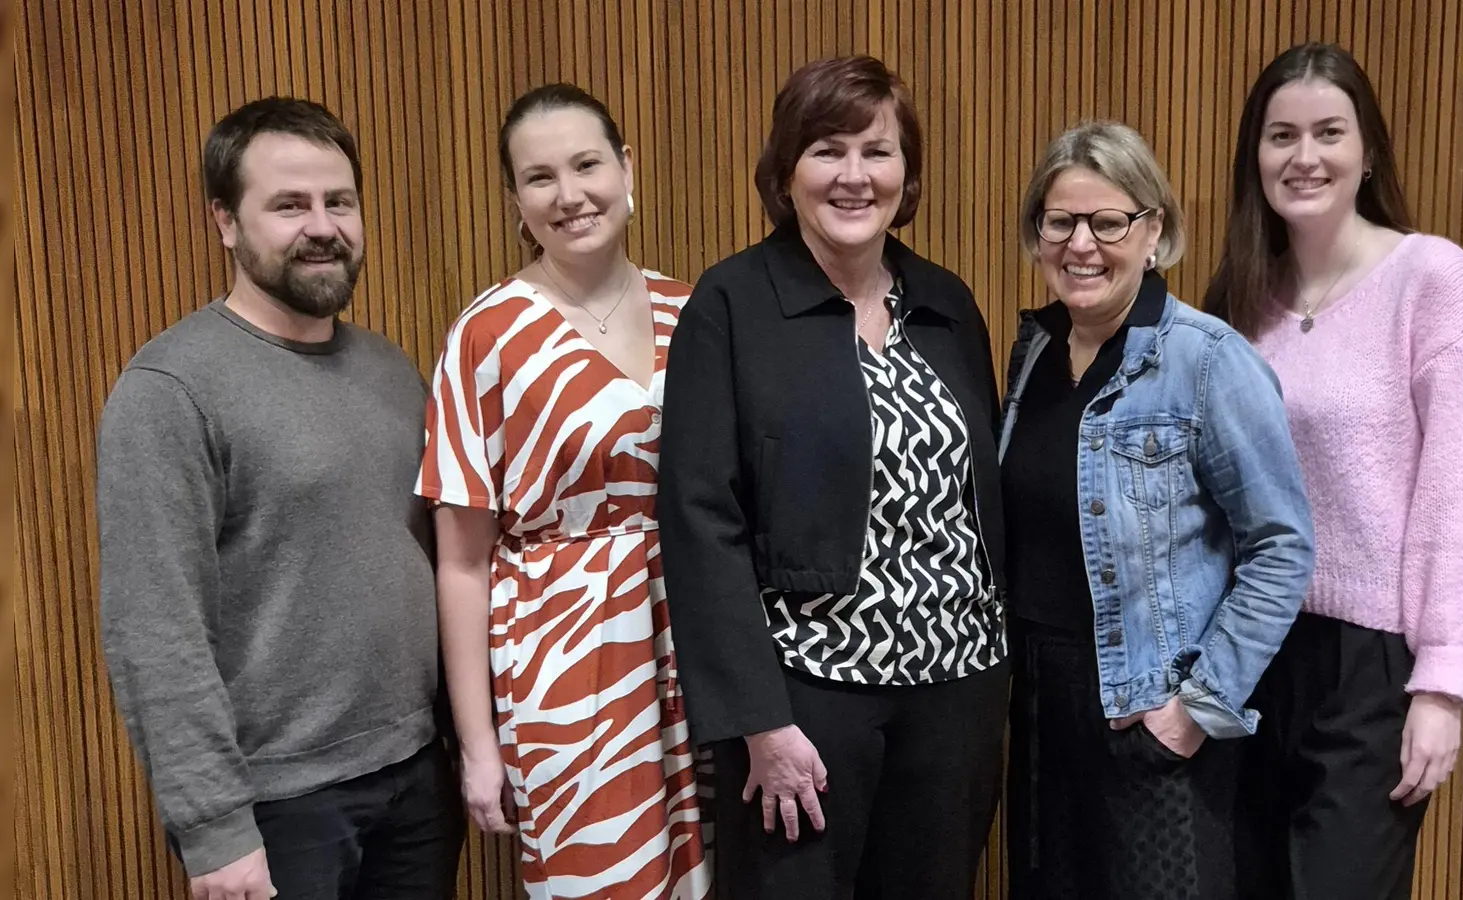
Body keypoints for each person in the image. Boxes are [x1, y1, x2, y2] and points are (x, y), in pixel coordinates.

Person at [655, 55, 1008, 900]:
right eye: (826, 149)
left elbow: (978, 495)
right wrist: (760, 722)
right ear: (786, 171)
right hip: (808, 701)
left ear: (906, 174)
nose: (854, 175)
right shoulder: (732, 304)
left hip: (957, 693)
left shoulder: (948, 304)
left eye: (877, 152)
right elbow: (701, 519)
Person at [95, 97, 464, 900]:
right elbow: (153, 628)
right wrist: (213, 833)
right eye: (289, 205)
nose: (322, 225)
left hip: (416, 780)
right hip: (277, 807)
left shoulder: (391, 370)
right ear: (225, 222)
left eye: (340, 201)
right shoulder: (170, 389)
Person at [1203, 42, 1463, 900]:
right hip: (1252, 646)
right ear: (1254, 157)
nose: (1305, 157)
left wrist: (1443, 685)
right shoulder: (1238, 296)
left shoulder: (1429, 279)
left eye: (1328, 132)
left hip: (1371, 664)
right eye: (1281, 136)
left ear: (1367, 150)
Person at [998, 119, 1315, 900]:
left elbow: (1282, 546)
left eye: (1109, 222)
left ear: (1154, 231)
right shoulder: (1033, 352)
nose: (1082, 245)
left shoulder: (1207, 360)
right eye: (1060, 221)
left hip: (1151, 710)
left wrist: (1196, 708)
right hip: (1039, 709)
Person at [417, 83, 711, 900]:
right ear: (514, 200)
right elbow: (462, 563)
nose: (570, 194)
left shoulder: (694, 312)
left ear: (627, 168)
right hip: (564, 666)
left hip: (695, 651)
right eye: (539, 177)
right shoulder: (487, 335)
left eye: (587, 165)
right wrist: (479, 747)